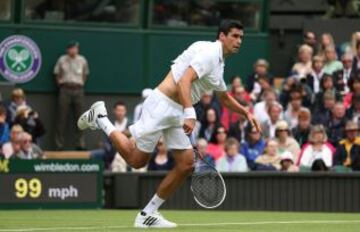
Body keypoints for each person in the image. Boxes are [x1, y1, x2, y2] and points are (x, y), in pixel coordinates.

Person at [77, 19, 261, 228]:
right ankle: (100, 118)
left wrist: (246, 112)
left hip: (177, 111)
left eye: (241, 38)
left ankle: (148, 213)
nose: (239, 41)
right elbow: (184, 80)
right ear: (222, 36)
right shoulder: (210, 53)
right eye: (234, 36)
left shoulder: (218, 63)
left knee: (185, 164)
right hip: (162, 106)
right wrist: (189, 112)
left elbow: (224, 98)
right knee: (136, 160)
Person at [54, 40, 89, 150]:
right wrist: (60, 83)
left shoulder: (82, 60)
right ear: (68, 49)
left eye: (76, 48)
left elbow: (85, 74)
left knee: (81, 118)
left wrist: (81, 83)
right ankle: (59, 144)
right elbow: (56, 73)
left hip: (78, 90)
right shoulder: (62, 59)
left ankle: (80, 144)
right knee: (61, 118)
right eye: (72, 48)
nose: (74, 50)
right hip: (65, 89)